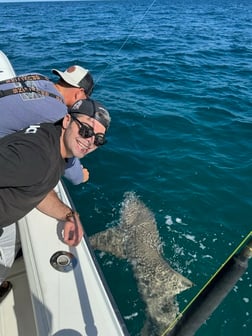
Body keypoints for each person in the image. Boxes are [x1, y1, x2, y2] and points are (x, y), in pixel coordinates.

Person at [0, 98, 111, 301]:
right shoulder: (35, 156)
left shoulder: (54, 143)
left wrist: (69, 214)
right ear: (67, 120)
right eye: (85, 130)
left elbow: (39, 188)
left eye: (99, 139)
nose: (89, 141)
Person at [0, 64, 94, 185]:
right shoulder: (58, 113)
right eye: (85, 99)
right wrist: (80, 176)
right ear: (79, 93)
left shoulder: (37, 76)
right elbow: (68, 154)